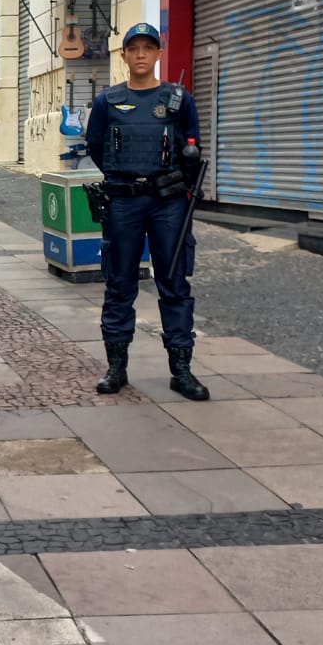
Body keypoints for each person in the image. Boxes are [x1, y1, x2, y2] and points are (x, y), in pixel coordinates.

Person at [85, 22, 210, 401]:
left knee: (174, 284)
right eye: (133, 48)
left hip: (168, 203)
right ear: (124, 55)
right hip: (124, 201)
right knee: (119, 284)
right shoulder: (108, 101)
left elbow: (193, 147)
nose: (140, 54)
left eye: (148, 48)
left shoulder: (178, 98)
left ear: (158, 53)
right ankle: (116, 368)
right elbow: (95, 146)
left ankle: (182, 370)